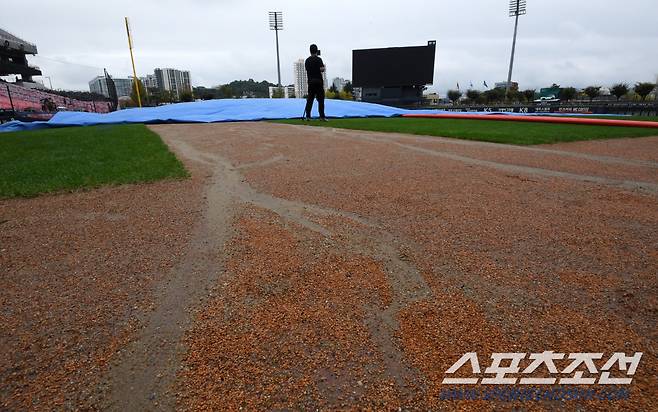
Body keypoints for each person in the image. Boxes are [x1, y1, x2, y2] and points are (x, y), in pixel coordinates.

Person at [304, 44, 327, 121]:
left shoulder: (307, 60)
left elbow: (307, 69)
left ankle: (308, 116)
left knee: (310, 99)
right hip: (318, 81)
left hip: (310, 81)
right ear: (316, 51)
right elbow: (322, 69)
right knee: (321, 99)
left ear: (310, 51)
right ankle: (322, 117)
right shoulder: (318, 59)